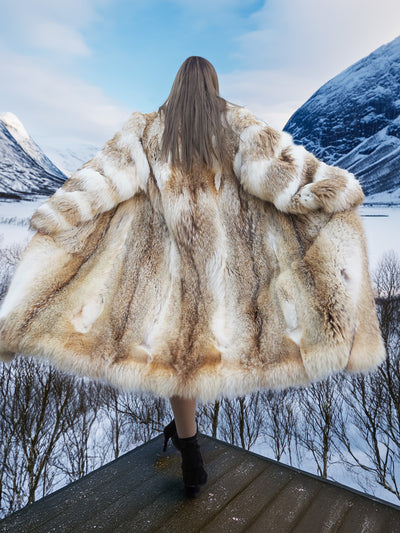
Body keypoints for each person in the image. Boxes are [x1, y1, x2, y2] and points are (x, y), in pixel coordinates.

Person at [0, 57, 385, 499]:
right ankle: (191, 446)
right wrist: (332, 188)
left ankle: (191, 453)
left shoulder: (145, 129)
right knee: (215, 350)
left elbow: (102, 180)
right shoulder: (240, 125)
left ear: (177, 84)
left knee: (179, 363)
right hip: (224, 274)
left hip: (166, 271)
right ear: (213, 85)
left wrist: (56, 215)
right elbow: (282, 174)